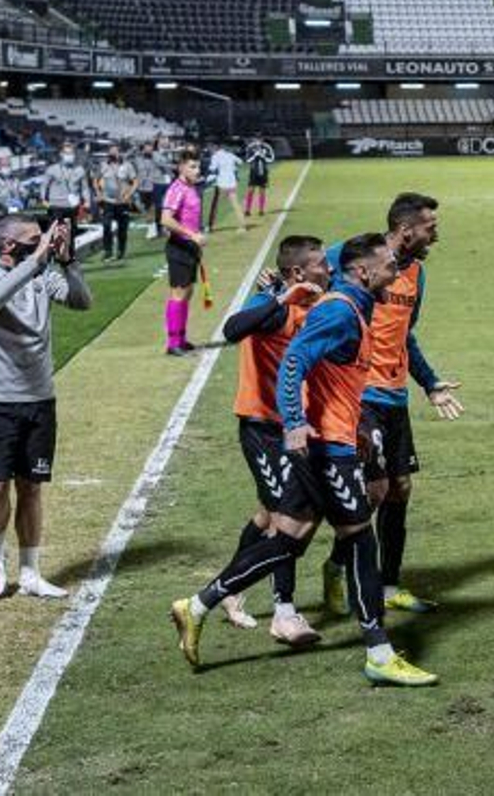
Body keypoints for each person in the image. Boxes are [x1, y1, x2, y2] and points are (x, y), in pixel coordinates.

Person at [170, 233, 438, 686]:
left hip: (334, 439)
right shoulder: (340, 310)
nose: (396, 270)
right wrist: (295, 421)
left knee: (289, 539)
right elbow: (294, 359)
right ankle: (377, 650)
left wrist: (355, 426)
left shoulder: (352, 303)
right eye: (389, 264)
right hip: (322, 447)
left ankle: (197, 605)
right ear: (364, 271)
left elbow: (331, 378)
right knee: (358, 540)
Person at [321, 193, 462, 616]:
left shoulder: (416, 273)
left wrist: (430, 383)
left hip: (395, 394)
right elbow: (306, 282)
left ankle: (387, 584)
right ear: (405, 230)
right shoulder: (353, 256)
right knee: (375, 489)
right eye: (429, 228)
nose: (434, 236)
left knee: (400, 487)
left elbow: (405, 335)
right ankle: (338, 567)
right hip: (358, 394)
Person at [0, 214, 91, 598]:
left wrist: (66, 262)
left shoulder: (41, 274)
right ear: (7, 245)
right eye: (34, 239)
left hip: (39, 397)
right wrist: (38, 257)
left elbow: (82, 301)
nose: (44, 245)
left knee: (31, 486)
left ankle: (31, 571)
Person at [214, 234, 334, 645]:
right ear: (298, 272)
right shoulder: (268, 307)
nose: (329, 268)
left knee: (269, 513)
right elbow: (232, 329)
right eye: (321, 263)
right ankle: (284, 612)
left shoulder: (319, 302)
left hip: (295, 427)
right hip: (263, 427)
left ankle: (229, 589)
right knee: (286, 514)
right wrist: (280, 297)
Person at [159, 152, 204, 356]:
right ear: (182, 168)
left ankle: (182, 338)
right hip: (179, 246)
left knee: (187, 292)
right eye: (193, 167)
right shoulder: (176, 189)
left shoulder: (190, 188)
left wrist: (195, 238)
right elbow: (165, 219)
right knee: (178, 293)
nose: (197, 170)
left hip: (189, 247)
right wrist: (191, 235)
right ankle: (173, 343)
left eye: (198, 167)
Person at [92, 144, 138, 262]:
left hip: (122, 202)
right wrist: (98, 193)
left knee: (122, 228)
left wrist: (129, 194)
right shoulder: (103, 166)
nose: (112, 154)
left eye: (115, 151)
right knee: (106, 226)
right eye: (111, 152)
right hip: (108, 201)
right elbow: (95, 180)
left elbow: (135, 182)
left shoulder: (127, 166)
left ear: (119, 153)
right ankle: (108, 251)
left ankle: (120, 251)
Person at [40, 143, 90, 229]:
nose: (69, 156)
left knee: (71, 233)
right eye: (67, 153)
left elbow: (85, 188)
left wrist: (87, 201)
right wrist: (43, 199)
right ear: (61, 154)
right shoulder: (52, 169)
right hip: (56, 205)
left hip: (72, 206)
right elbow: (44, 185)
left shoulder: (80, 170)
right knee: (55, 233)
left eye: (71, 153)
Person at [204, 142, 246, 232]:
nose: (209, 150)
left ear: (214, 147)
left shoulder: (216, 156)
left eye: (210, 148)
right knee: (236, 205)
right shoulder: (230, 155)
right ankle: (243, 226)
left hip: (221, 184)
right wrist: (233, 168)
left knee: (215, 206)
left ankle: (210, 226)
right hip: (231, 184)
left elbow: (212, 169)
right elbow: (241, 162)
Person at [244, 142, 272, 218]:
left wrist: (263, 156)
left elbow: (271, 159)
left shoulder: (266, 147)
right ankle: (247, 210)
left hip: (263, 172)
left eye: (260, 138)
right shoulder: (250, 147)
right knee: (250, 191)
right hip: (253, 172)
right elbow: (247, 160)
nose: (258, 141)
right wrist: (255, 156)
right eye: (257, 138)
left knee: (262, 191)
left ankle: (261, 210)